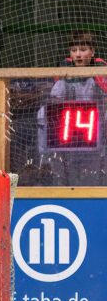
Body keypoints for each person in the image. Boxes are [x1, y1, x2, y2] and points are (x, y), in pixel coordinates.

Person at [37, 30, 107, 185]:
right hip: (68, 130)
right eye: (74, 50)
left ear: (92, 52)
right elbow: (53, 103)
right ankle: (46, 161)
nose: (78, 54)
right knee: (42, 113)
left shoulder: (102, 72)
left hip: (97, 128)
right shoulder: (64, 77)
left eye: (83, 50)